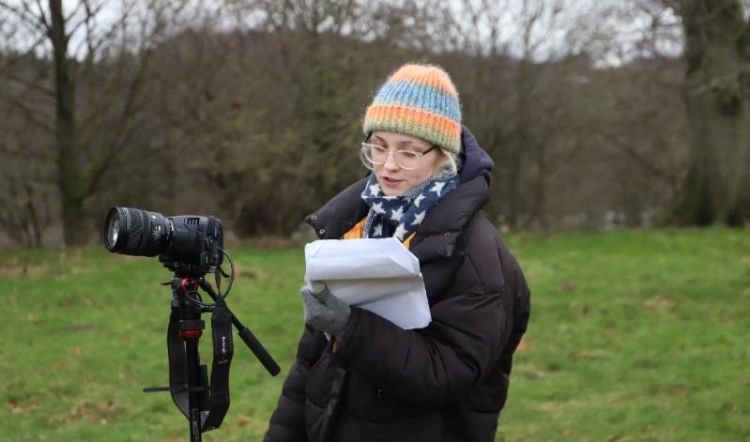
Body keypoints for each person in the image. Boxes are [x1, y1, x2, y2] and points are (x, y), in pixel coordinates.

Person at [264, 63, 531, 442]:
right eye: (379, 146)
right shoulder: (353, 225)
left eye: (408, 152)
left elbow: (445, 373)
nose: (388, 166)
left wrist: (350, 328)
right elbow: (309, 367)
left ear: (443, 156)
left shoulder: (479, 256)